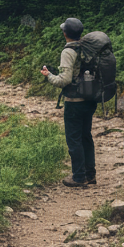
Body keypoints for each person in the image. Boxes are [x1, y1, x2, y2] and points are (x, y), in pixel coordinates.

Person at [40, 17, 96, 187]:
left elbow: (64, 80)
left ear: (65, 33)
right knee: (86, 136)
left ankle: (78, 177)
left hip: (74, 102)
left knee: (74, 139)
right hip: (90, 99)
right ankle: (90, 174)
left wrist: (48, 75)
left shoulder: (68, 51)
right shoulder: (88, 47)